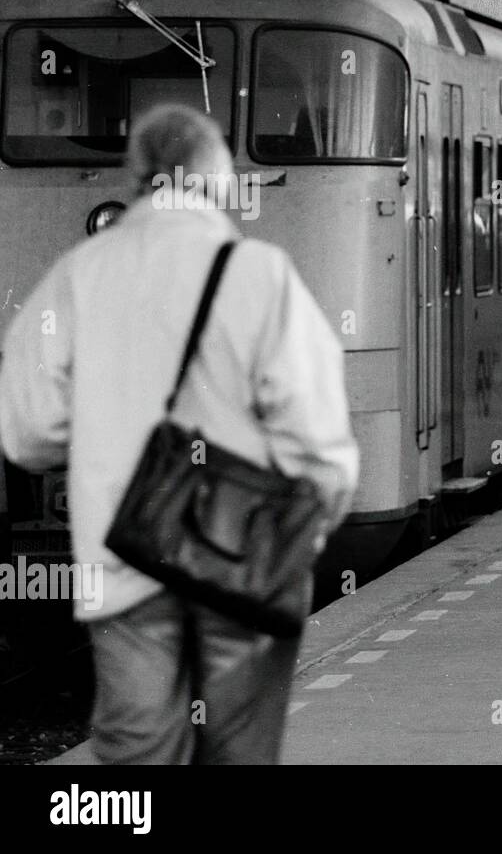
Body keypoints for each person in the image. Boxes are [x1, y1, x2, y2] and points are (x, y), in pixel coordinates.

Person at [0, 105, 359, 764]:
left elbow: (25, 432)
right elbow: (318, 439)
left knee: (138, 756)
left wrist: (104, 435)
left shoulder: (78, 274)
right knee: (240, 751)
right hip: (247, 555)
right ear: (217, 182)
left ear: (136, 178)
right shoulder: (261, 273)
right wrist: (305, 529)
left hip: (124, 555)